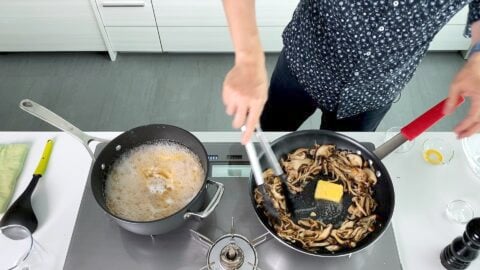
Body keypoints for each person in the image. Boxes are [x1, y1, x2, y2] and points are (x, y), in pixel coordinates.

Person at [221, 0, 480, 144]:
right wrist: (247, 57)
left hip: (376, 89)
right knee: (266, 137)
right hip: (304, 61)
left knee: (338, 168)